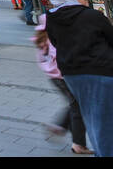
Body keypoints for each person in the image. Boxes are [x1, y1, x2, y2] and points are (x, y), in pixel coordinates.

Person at [46, 0, 113, 156]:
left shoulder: (53, 18)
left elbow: (56, 44)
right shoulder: (92, 16)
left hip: (73, 75)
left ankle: (103, 152)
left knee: (93, 118)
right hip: (102, 72)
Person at [34, 13, 91, 154]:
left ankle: (60, 126)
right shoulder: (52, 39)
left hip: (53, 77)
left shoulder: (41, 39)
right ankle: (77, 143)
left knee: (75, 104)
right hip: (63, 77)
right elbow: (62, 57)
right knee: (77, 106)